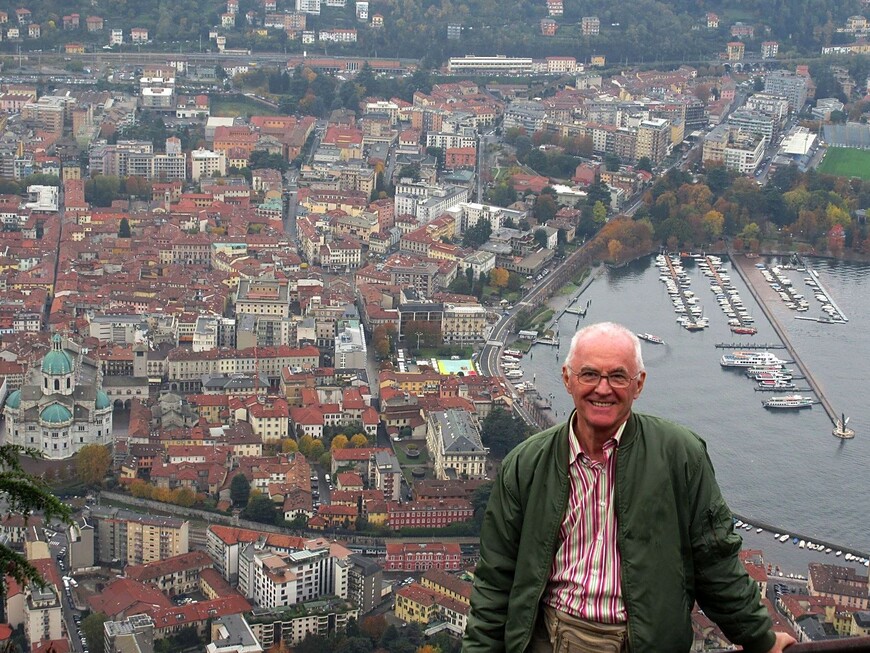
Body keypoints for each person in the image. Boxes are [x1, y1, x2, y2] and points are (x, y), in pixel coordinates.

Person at [463, 322, 795, 653]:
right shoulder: (526, 464)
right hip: (550, 640)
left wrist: (759, 638)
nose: (603, 389)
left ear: (639, 384)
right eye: (589, 374)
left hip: (643, 643)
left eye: (618, 377)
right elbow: (495, 580)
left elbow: (715, 562)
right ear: (567, 379)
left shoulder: (680, 456)